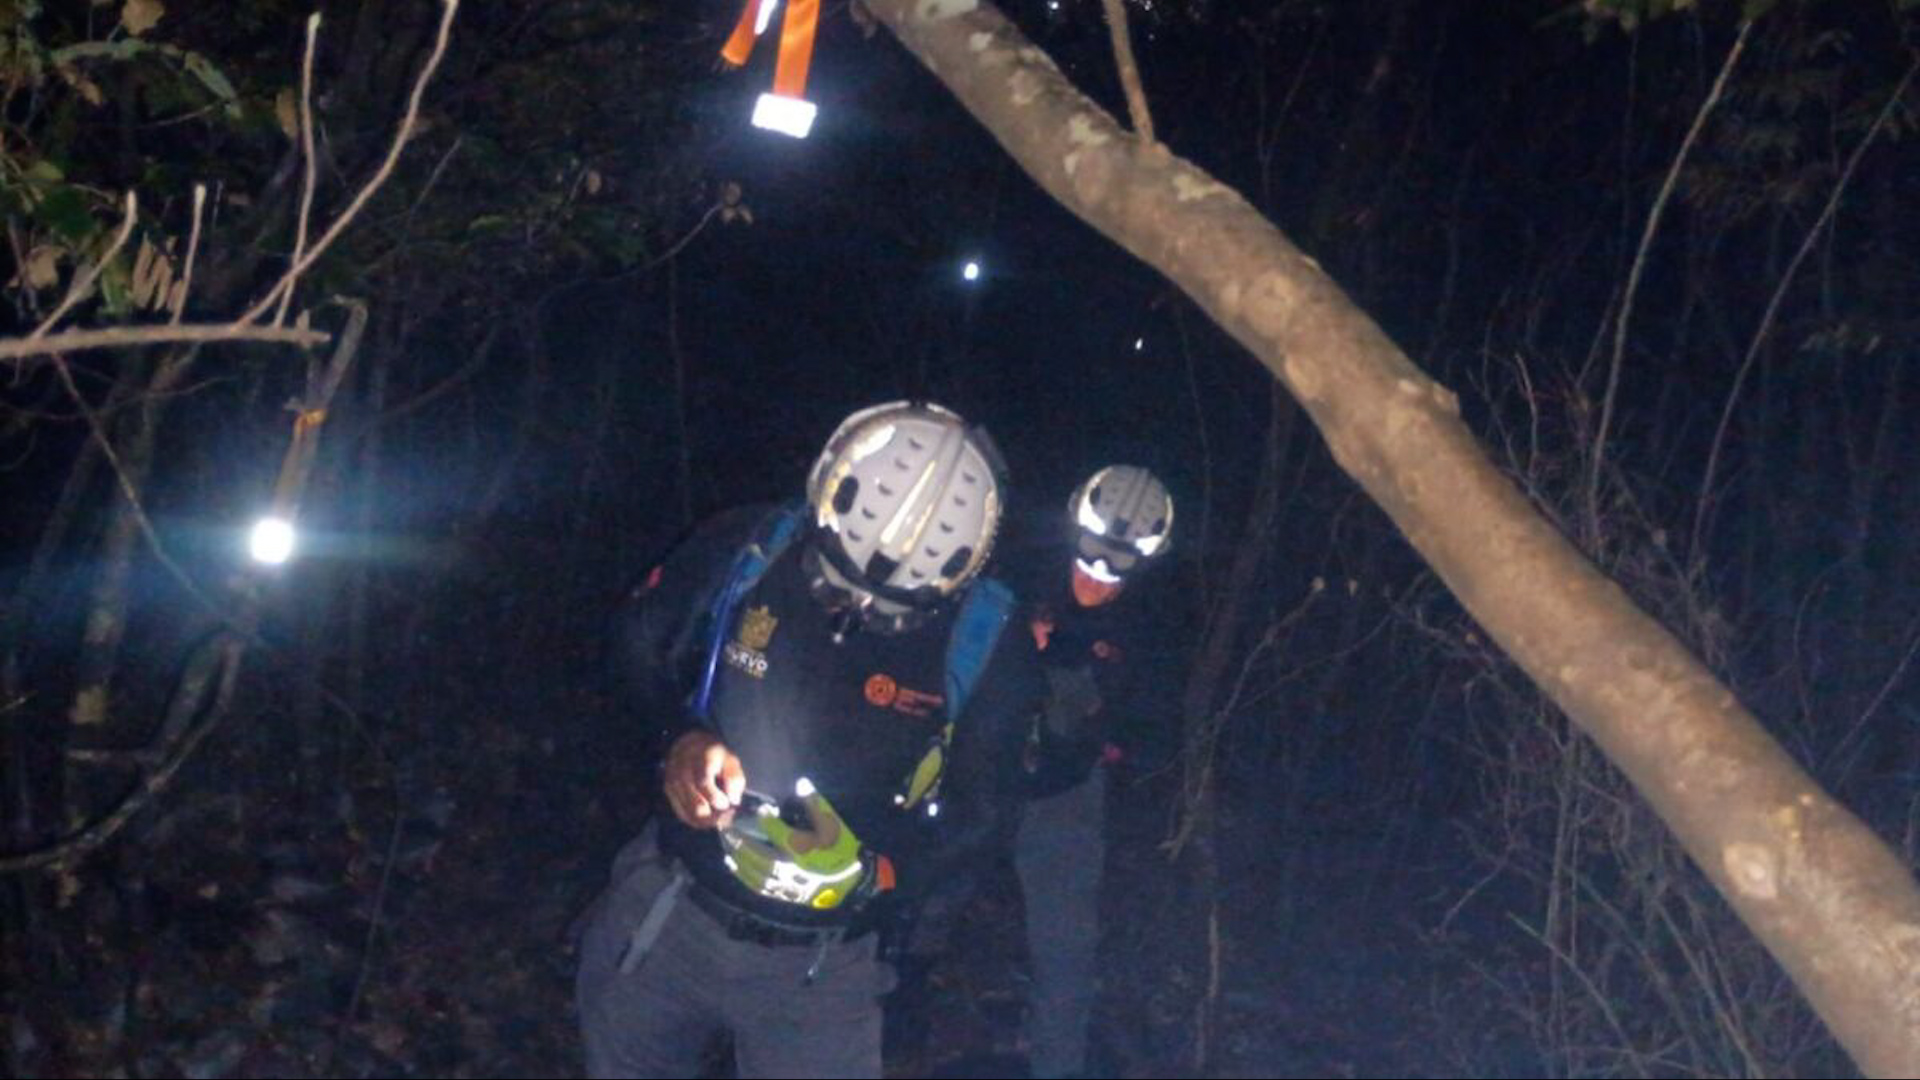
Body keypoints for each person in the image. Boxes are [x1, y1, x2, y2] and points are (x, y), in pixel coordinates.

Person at [573, 401, 1044, 1079]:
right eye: (837, 587)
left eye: (889, 614)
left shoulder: (990, 643)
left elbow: (987, 812)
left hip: (824, 970)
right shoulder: (749, 546)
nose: (856, 613)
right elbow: (635, 644)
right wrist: (681, 740)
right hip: (668, 912)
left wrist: (876, 874)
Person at [1010, 464, 1175, 1080]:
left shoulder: (1149, 624)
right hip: (977, 773)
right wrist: (1016, 644)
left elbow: (1149, 717)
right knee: (918, 902)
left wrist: (1105, 717)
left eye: (1110, 577)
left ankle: (1056, 1067)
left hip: (1065, 796)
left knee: (1066, 951)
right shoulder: (1018, 571)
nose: (1092, 582)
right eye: (1085, 565)